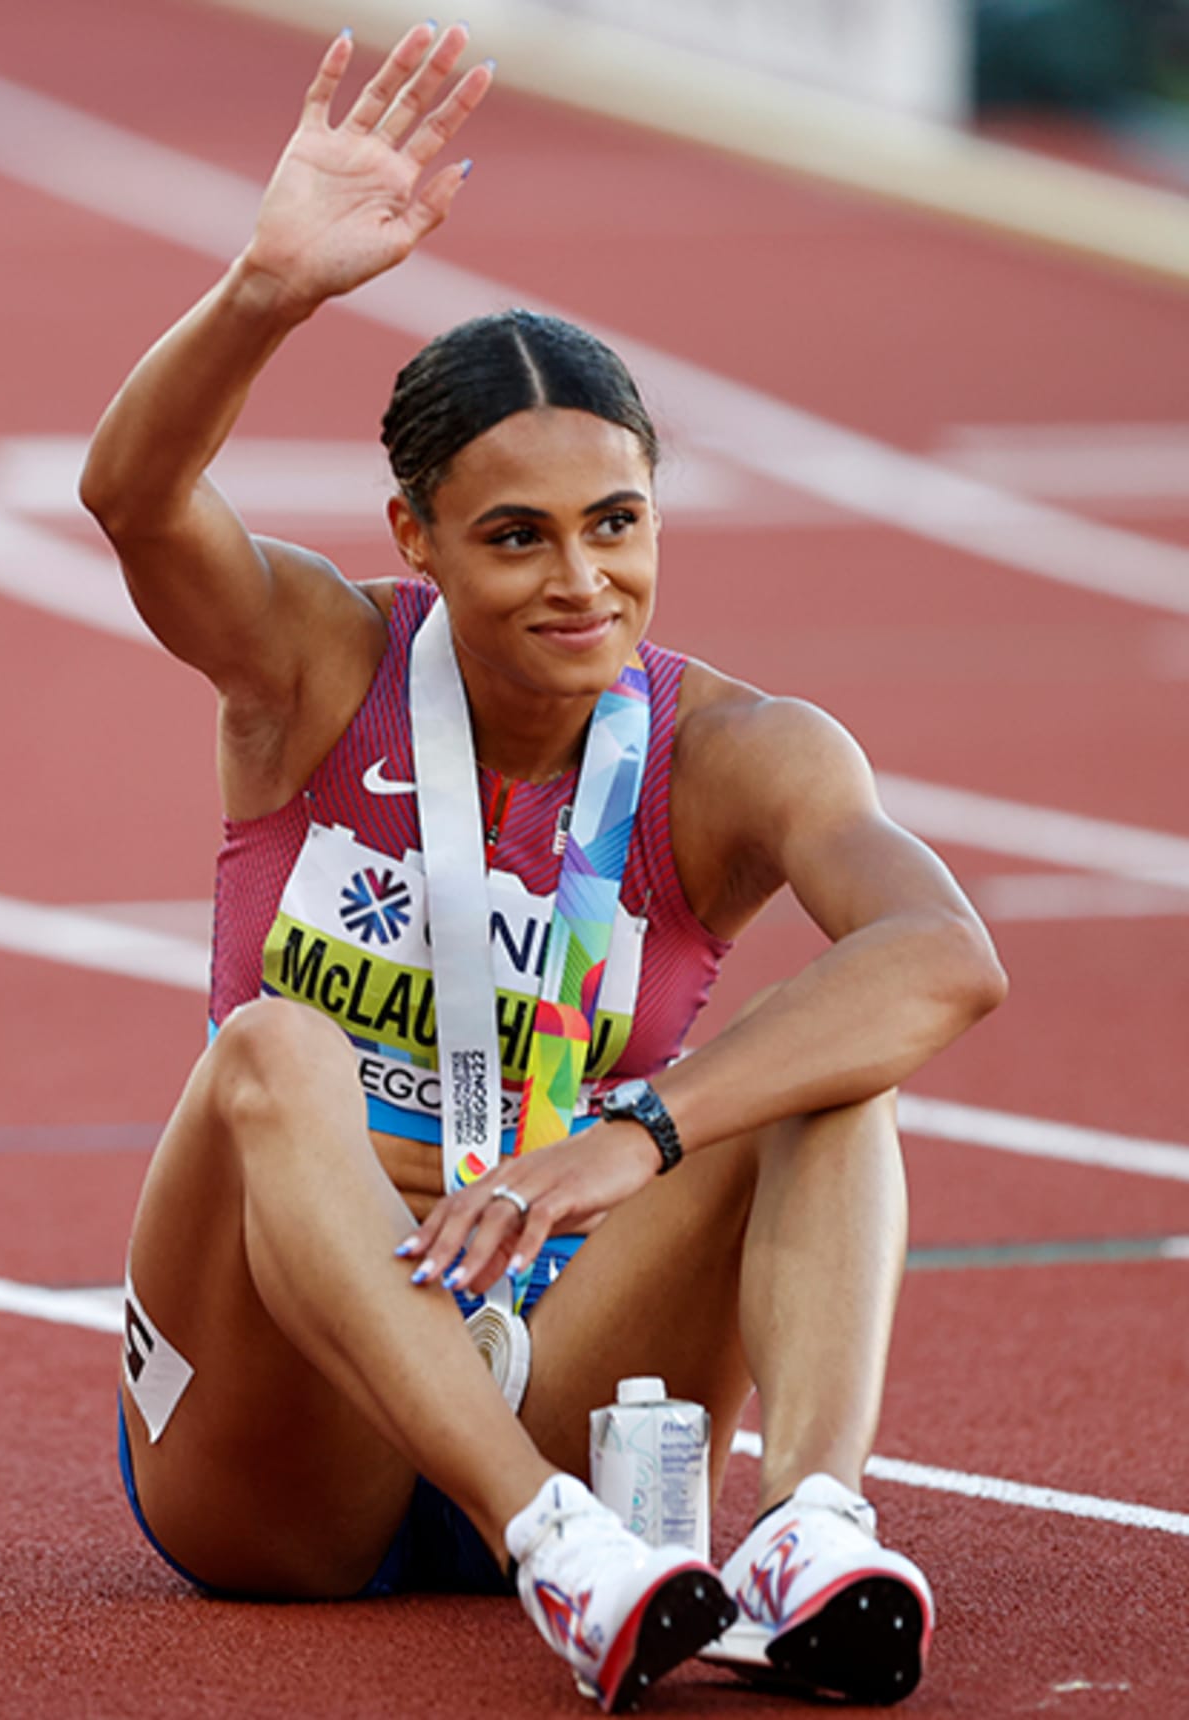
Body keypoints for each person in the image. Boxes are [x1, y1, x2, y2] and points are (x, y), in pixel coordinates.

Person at [80, 20, 1007, 1713]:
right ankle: (560, 1565)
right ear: (416, 539)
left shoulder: (737, 754)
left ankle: (808, 1522)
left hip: (560, 1343)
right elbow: (135, 501)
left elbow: (945, 957)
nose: (582, 580)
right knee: (272, 1048)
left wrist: (632, 1135)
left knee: (838, 1072)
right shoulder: (314, 668)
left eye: (619, 522)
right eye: (516, 535)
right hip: (283, 1429)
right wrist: (269, 290)